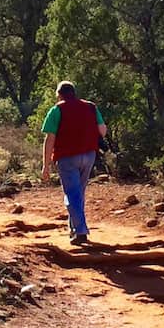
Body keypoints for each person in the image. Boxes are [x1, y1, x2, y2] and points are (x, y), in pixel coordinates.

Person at [41, 81, 107, 245]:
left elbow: (50, 139)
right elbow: (103, 130)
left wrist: (46, 165)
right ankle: (74, 229)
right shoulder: (90, 106)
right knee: (79, 193)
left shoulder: (57, 110)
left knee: (72, 194)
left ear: (59, 94)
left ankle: (80, 231)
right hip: (89, 155)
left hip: (67, 157)